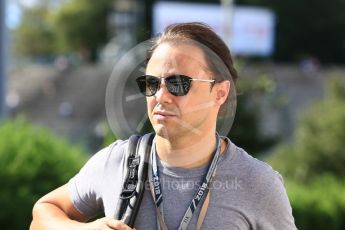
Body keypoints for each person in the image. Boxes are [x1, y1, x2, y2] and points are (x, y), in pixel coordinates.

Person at [30, 22, 296, 230]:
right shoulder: (117, 160)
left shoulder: (258, 183)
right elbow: (43, 212)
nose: (160, 96)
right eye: (151, 83)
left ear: (220, 93)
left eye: (178, 83)